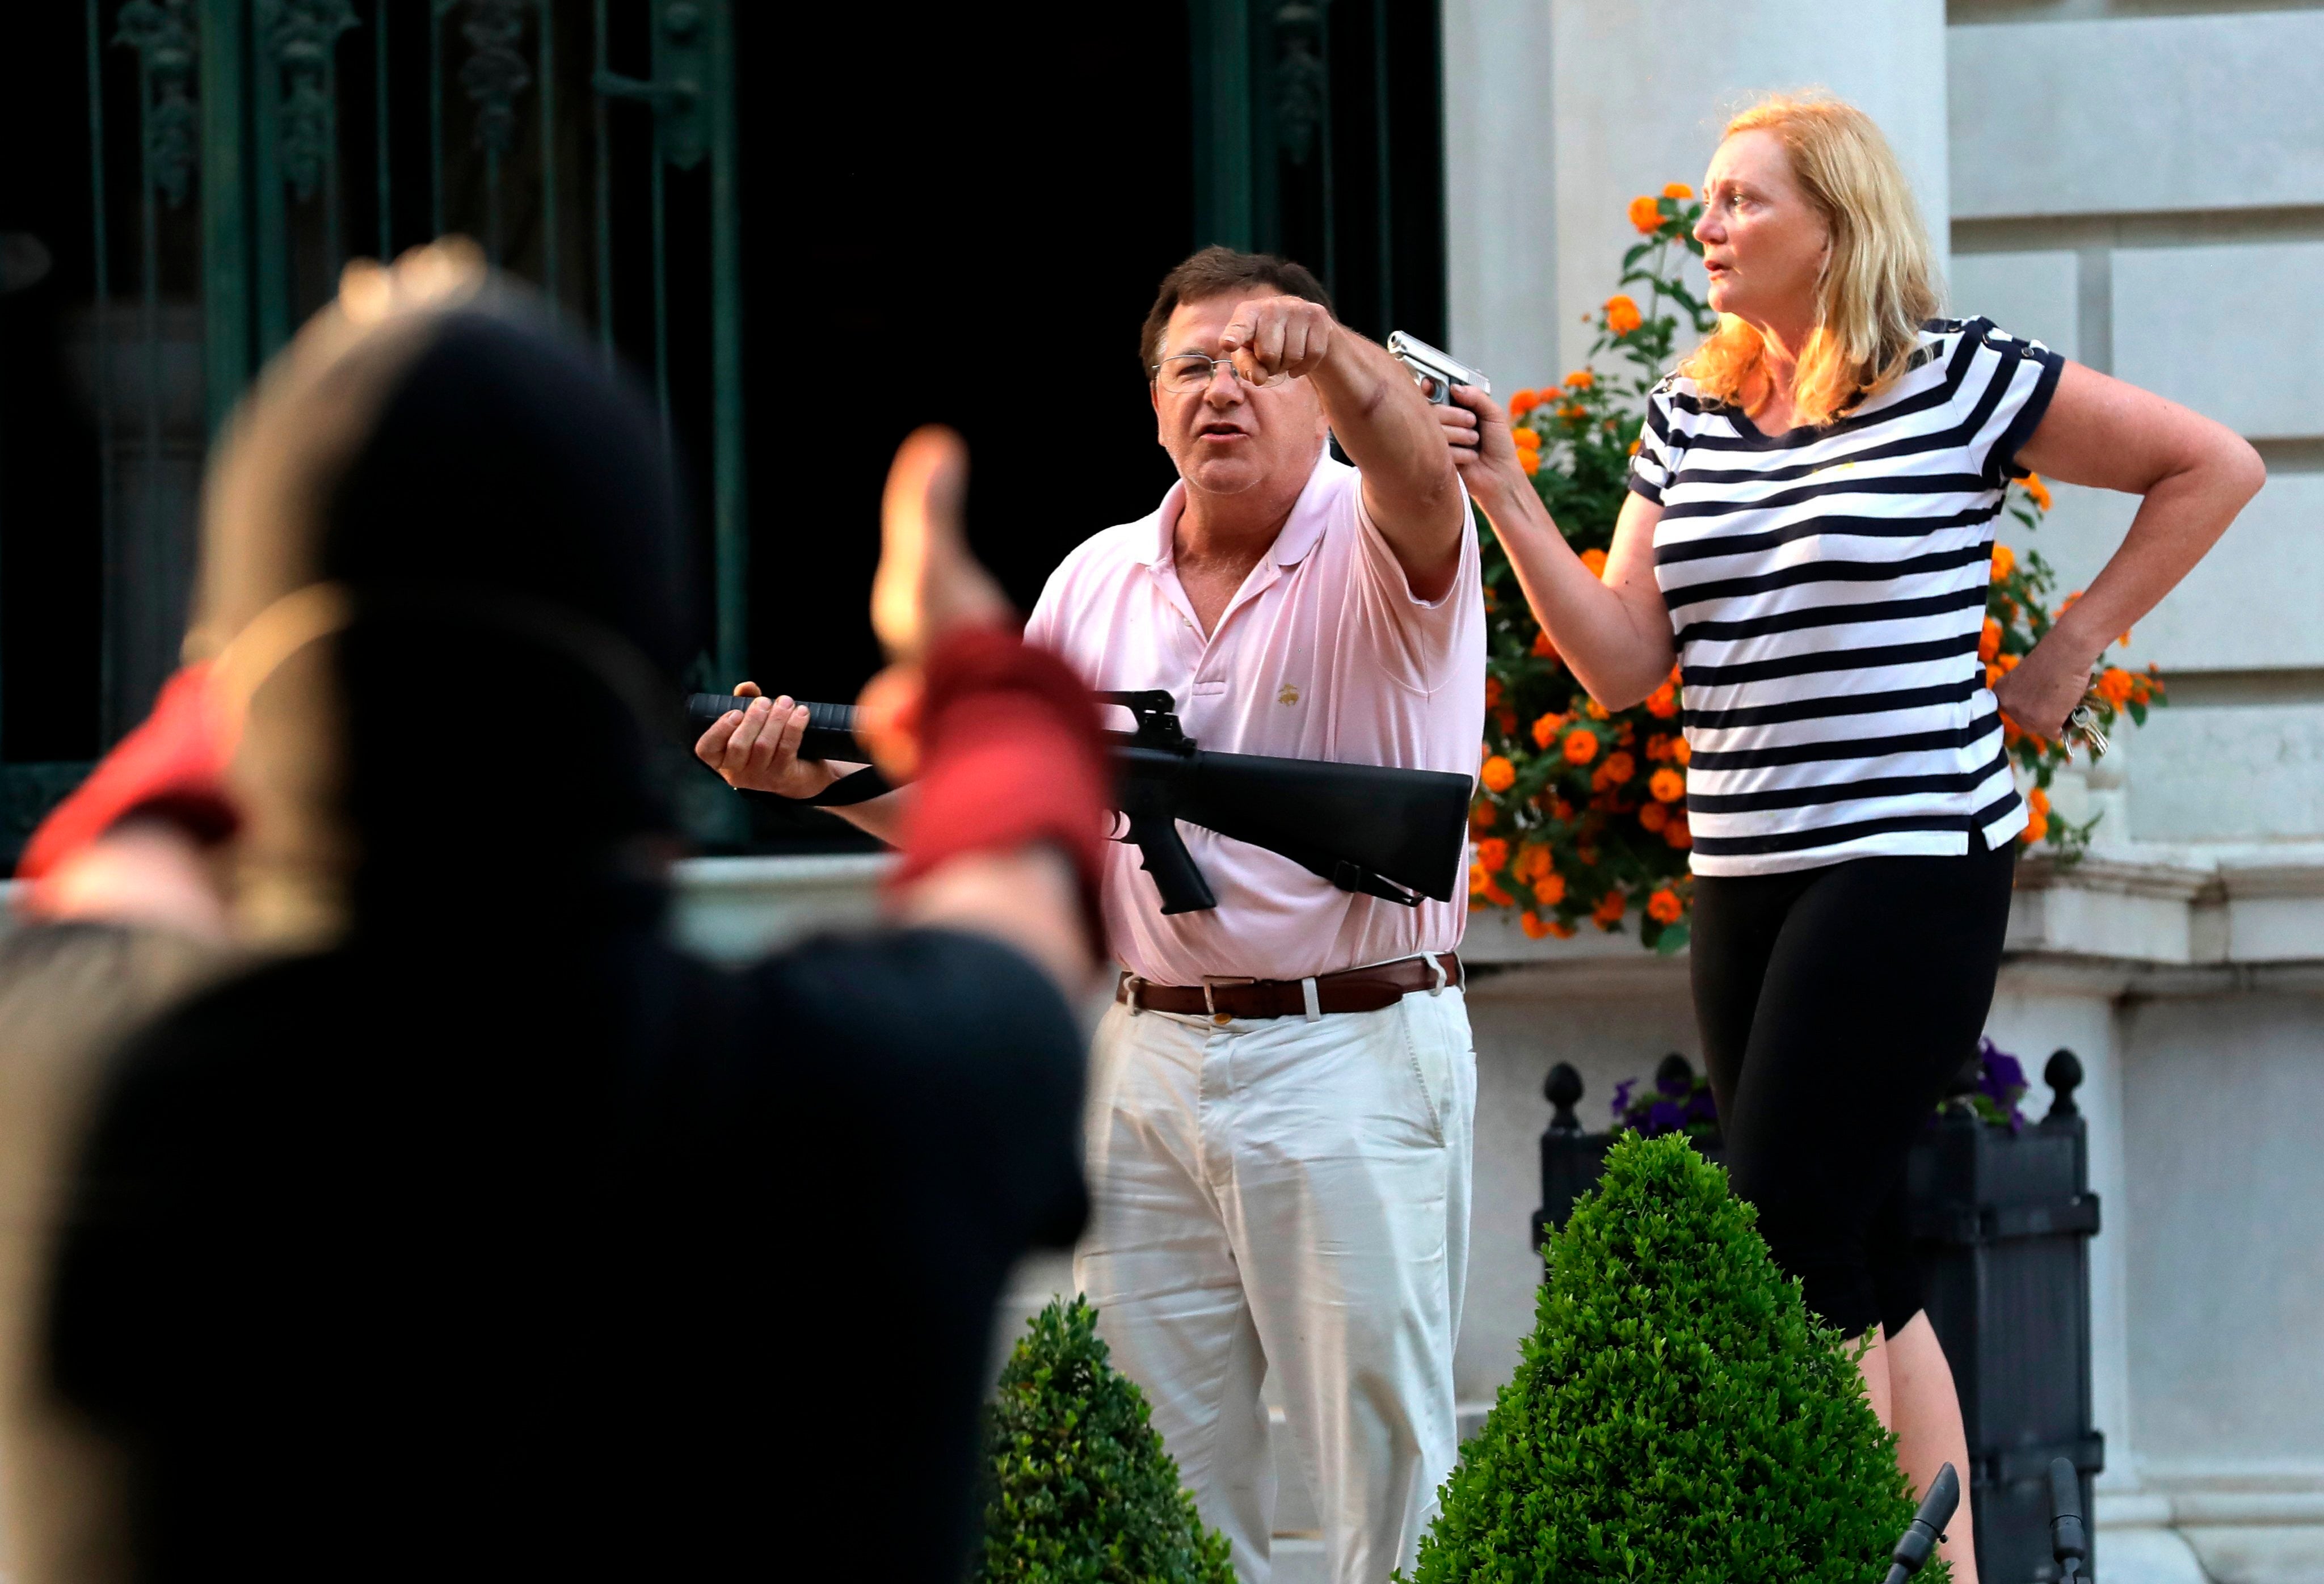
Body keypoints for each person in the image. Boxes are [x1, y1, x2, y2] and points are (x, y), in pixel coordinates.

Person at [36, 243, 1111, 1581]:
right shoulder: (855, 1097)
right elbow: (1029, 873)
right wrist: (975, 672)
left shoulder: (63, 1076)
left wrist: (288, 579)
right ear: (650, 663)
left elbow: (132, 835)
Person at [1441, 94, 2263, 1582]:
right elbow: (1624, 664)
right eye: (1708, 198)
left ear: (1837, 221)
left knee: (1779, 1236)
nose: (1710, 223)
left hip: (1912, 855)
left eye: (1746, 199)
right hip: (1743, 868)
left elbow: (2213, 463)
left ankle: (1818, 1558)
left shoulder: (1957, 383)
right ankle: (1943, 1576)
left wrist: (2076, 638)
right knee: (1863, 1250)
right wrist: (1503, 486)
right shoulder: (1682, 417)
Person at [698, 246, 1483, 1583]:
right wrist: (817, 781)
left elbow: (1417, 470)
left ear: (1317, 392)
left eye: (1259, 362)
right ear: (1153, 407)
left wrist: (1343, 352)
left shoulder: (1379, 530)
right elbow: (1009, 815)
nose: (1223, 390)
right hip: (1146, 1056)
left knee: (1382, 1479)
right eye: (1191, 368)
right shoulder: (1093, 579)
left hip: (1349, 1045)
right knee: (1154, 1476)